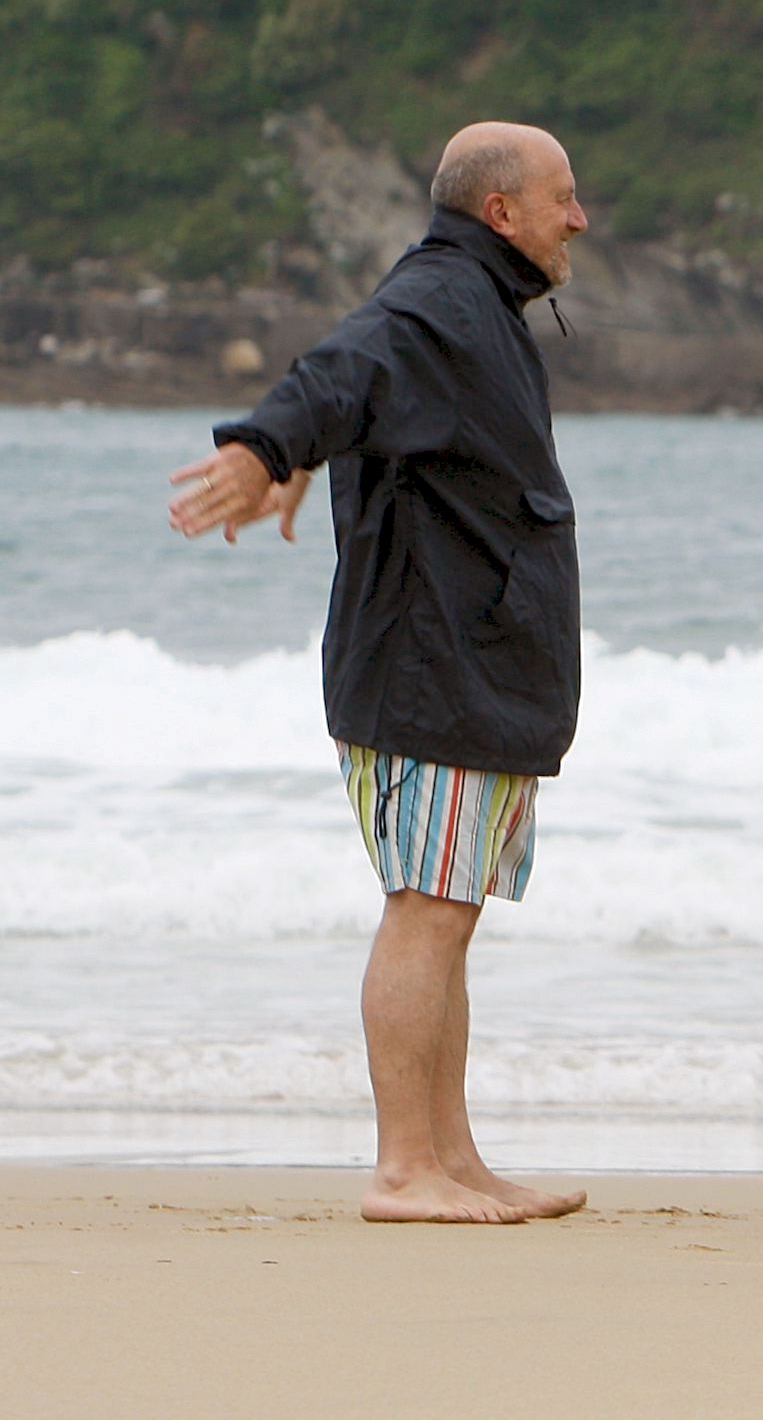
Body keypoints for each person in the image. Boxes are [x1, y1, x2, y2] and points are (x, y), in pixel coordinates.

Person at [163, 122, 594, 1225]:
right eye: (563, 198)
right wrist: (267, 446)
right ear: (501, 211)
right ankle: (406, 1169)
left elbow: (376, 407)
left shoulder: (476, 310)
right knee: (426, 909)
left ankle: (452, 1157)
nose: (578, 218)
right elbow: (344, 368)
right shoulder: (443, 299)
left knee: (450, 910)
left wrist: (317, 455)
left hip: (475, 665)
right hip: (427, 667)